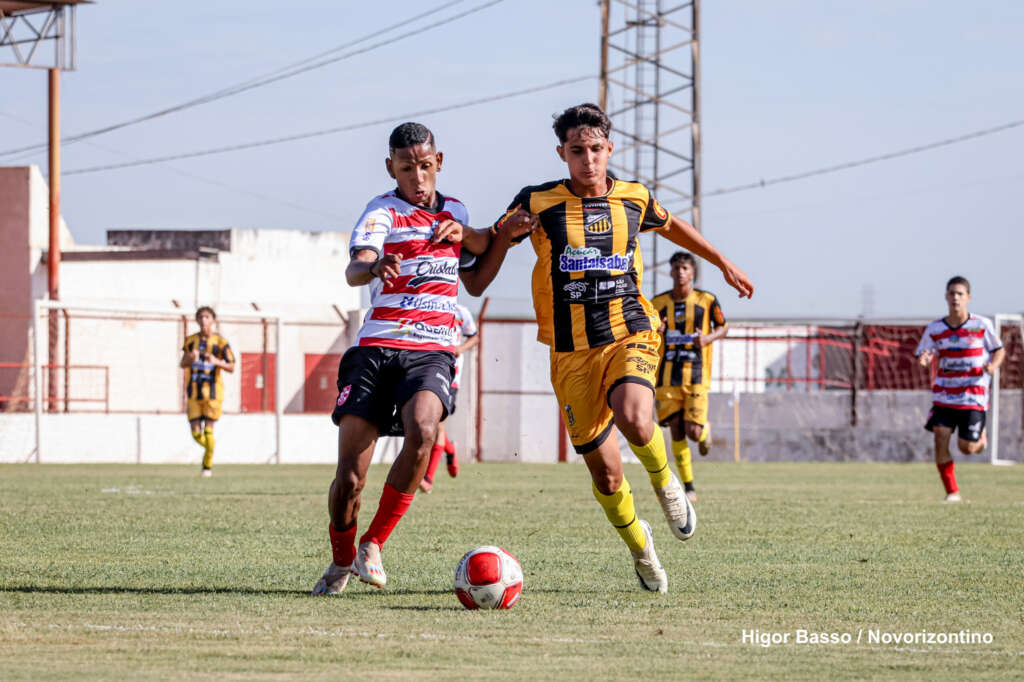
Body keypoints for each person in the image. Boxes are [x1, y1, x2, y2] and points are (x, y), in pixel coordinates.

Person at [464, 103, 753, 593]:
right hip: (570, 352)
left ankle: (668, 484)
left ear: (609, 149)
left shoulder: (634, 198)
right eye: (577, 151)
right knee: (608, 476)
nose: (588, 160)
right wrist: (486, 236)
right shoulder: (536, 202)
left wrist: (721, 260)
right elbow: (481, 259)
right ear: (562, 153)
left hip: (630, 330)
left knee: (637, 416)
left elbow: (672, 224)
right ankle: (642, 549)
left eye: (596, 149)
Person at [312, 122, 488, 595]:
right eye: (406, 168)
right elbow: (354, 268)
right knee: (350, 479)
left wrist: (473, 233)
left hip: (430, 350)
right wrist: (373, 265)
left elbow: (477, 259)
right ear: (391, 167)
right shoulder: (381, 211)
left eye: (425, 166)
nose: (418, 176)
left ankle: (374, 543)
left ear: (439, 162)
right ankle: (340, 561)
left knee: (425, 429)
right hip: (376, 348)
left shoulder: (457, 210)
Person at [915, 276, 1004, 503]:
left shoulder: (981, 325)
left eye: (960, 294)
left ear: (968, 298)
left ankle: (979, 438)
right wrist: (924, 360)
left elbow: (999, 350)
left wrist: (993, 365)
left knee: (966, 448)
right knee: (940, 437)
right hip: (944, 394)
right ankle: (952, 492)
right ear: (946, 297)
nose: (955, 298)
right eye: (952, 293)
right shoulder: (935, 328)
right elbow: (923, 355)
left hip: (973, 396)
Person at [651, 251, 729, 503]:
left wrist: (707, 338)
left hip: (696, 374)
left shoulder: (707, 300)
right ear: (671, 272)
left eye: (684, 267)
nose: (680, 272)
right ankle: (689, 487)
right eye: (675, 267)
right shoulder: (658, 303)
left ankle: (705, 431)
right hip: (666, 376)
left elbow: (723, 326)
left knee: (693, 432)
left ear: (692, 272)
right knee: (676, 430)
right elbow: (646, 328)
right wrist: (657, 329)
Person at [419, 302, 479, 493]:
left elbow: (474, 337)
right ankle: (449, 448)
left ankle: (428, 477)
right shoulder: (426, 306)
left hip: (451, 376)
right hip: (424, 371)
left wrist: (460, 349)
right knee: (424, 422)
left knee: (438, 425)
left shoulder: (461, 312)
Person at [179, 306, 235, 478]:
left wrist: (216, 361)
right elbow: (182, 364)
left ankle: (207, 466)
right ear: (197, 320)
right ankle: (210, 449)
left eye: (207, 317)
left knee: (209, 430)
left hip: (213, 393)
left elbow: (231, 366)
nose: (204, 320)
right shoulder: (190, 341)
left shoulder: (221, 342)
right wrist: (190, 358)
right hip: (194, 393)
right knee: (196, 433)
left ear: (213, 320)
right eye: (201, 317)